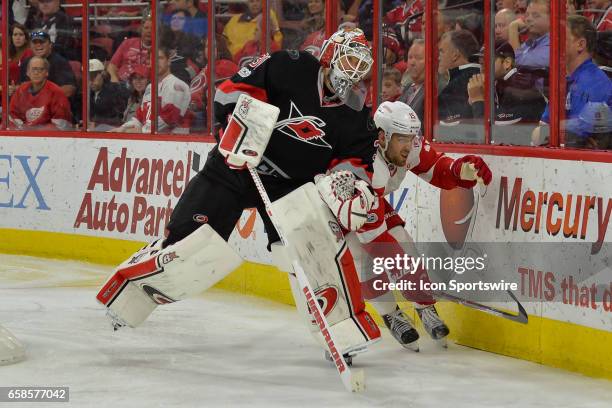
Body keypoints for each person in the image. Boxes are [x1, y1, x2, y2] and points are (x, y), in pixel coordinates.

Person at [97, 27, 382, 364]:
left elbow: (355, 164)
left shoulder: (357, 115)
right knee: (190, 244)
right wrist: (239, 120)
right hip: (236, 166)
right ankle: (129, 296)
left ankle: (341, 330)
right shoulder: (288, 65)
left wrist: (349, 187)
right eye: (349, 58)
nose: (354, 70)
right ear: (329, 55)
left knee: (315, 247)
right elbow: (230, 92)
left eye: (361, 64)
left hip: (290, 186)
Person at [349, 100, 492, 350]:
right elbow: (375, 242)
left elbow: (435, 168)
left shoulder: (406, 145)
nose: (409, 146)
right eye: (402, 139)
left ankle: (425, 308)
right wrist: (408, 274)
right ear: (382, 137)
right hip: (345, 210)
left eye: (412, 137)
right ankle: (391, 315)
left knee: (403, 242)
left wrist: (462, 170)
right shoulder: (367, 164)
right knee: (364, 260)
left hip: (372, 201)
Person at [532, 15, 612, 147]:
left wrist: (554, 130)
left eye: (560, 38)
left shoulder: (595, 84)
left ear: (580, 44)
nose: (552, 44)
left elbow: (576, 142)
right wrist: (556, 129)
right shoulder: (564, 81)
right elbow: (539, 133)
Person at [467, 41, 547, 144]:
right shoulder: (498, 85)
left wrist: (478, 100)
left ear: (507, 63)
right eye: (481, 64)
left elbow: (490, 136)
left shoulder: (520, 84)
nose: (482, 69)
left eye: (486, 62)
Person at [112, 47, 191, 134]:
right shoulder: (150, 87)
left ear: (168, 61)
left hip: (174, 142)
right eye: (153, 59)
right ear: (149, 63)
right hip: (152, 140)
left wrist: (140, 131)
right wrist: (123, 128)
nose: (156, 62)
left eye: (160, 58)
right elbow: (140, 117)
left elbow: (169, 119)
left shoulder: (177, 85)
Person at [9, 56, 72, 130]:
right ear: (27, 72)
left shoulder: (56, 92)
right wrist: (23, 130)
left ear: (46, 73)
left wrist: (33, 131)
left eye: (40, 69)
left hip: (48, 139)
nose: (36, 73)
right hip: (25, 137)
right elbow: (12, 116)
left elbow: (62, 125)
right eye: (33, 69)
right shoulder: (21, 90)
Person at [437, 29, 481, 126]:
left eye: (442, 52)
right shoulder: (481, 75)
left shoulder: (456, 86)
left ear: (455, 55)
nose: (438, 58)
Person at [19, 30, 77, 99]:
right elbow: (23, 87)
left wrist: (42, 97)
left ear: (50, 45)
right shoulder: (26, 63)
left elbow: (69, 90)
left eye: (42, 42)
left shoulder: (60, 62)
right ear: (30, 46)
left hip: (54, 105)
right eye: (35, 42)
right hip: (30, 105)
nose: (38, 45)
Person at [108, 15, 152, 83]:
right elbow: (112, 66)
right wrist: (115, 80)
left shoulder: (159, 49)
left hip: (145, 85)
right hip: (122, 83)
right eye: (146, 28)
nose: (149, 31)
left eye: (152, 28)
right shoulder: (128, 43)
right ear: (141, 29)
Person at [88, 59, 129, 130]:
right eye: (87, 77)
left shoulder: (115, 90)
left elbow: (119, 117)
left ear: (103, 74)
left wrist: (96, 122)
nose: (91, 80)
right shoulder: (88, 94)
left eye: (93, 76)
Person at [399, 39, 425, 132]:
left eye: (418, 58)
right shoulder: (408, 88)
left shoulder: (433, 91)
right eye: (410, 57)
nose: (412, 62)